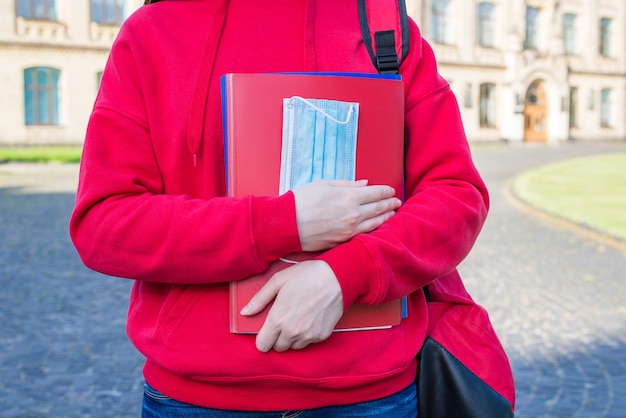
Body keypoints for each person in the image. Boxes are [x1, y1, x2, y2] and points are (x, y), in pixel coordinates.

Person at [69, 0, 489, 416]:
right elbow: (103, 223)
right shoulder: (153, 30)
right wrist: (286, 223)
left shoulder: (386, 25)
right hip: (195, 401)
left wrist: (347, 275)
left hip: (370, 396)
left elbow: (456, 196)